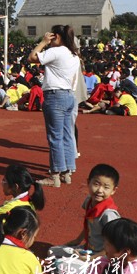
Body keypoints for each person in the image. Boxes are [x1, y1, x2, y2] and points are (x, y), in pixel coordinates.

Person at [28, 24, 80, 187]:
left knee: (55, 137)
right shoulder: (74, 54)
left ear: (56, 37)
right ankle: (67, 172)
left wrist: (43, 42)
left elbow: (32, 58)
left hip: (55, 96)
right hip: (69, 95)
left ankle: (55, 175)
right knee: (67, 134)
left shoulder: (56, 51)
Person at [47, 164, 120, 274]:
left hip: (103, 257)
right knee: (51, 252)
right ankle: (84, 265)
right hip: (88, 250)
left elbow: (114, 246)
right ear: (88, 182)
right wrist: (77, 240)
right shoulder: (90, 201)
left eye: (106, 187)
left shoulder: (109, 214)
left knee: (58, 266)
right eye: (96, 184)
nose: (100, 190)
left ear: (113, 190)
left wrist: (91, 259)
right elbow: (89, 224)